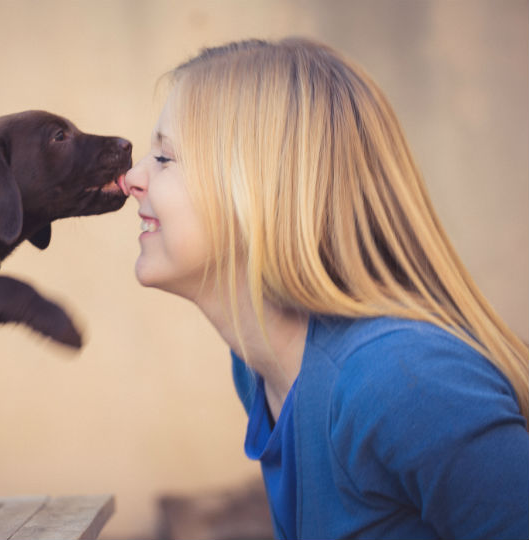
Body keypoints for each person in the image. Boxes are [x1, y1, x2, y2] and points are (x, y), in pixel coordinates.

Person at [121, 38, 529, 539]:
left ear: (259, 190)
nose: (131, 178)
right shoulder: (257, 367)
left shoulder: (405, 382)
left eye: (164, 157)